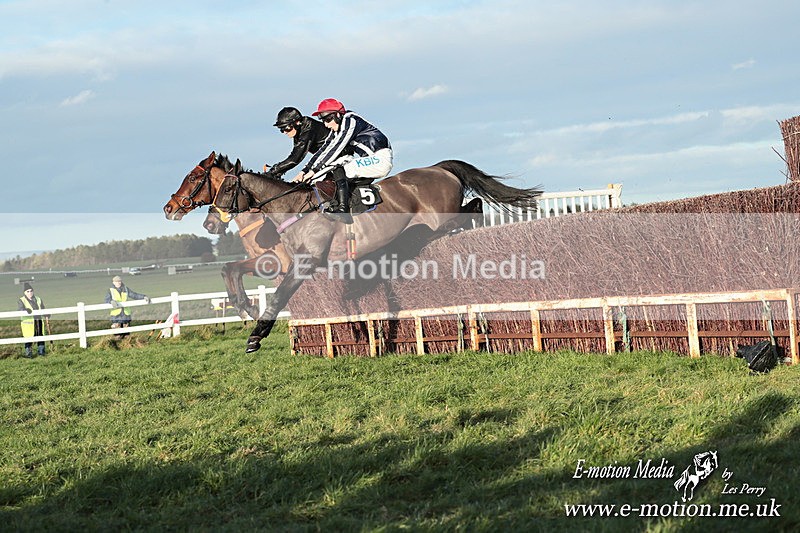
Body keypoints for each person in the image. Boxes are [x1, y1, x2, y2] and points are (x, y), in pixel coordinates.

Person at [293, 98, 393, 222]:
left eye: (328, 119)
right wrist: (304, 171)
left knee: (338, 167)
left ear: (338, 115)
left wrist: (314, 170)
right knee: (326, 172)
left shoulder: (350, 120)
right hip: (370, 159)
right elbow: (324, 149)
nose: (326, 124)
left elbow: (336, 148)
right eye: (323, 120)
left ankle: (342, 209)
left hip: (380, 159)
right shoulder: (338, 127)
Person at [262, 107, 328, 179]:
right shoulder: (300, 129)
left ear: (296, 122)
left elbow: (295, 158)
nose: (284, 132)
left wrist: (273, 171)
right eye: (281, 129)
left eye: (286, 128)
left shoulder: (308, 128)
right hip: (325, 158)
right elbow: (294, 155)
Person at [18, 283, 48, 357]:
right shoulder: (21, 300)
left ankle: (41, 353)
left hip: (39, 321)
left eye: (31, 291)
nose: (30, 293)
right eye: (27, 291)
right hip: (28, 324)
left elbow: (43, 308)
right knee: (28, 339)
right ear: (24, 292)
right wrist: (25, 310)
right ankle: (29, 354)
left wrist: (46, 314)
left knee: (40, 337)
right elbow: (20, 309)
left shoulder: (38, 299)